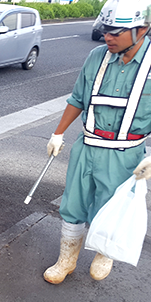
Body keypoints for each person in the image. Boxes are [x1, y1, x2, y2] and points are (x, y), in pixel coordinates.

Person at [43, 0, 151, 284]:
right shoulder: (96, 57)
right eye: (105, 30)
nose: (108, 37)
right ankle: (66, 259)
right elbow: (77, 98)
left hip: (126, 152)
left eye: (117, 31)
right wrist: (58, 133)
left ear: (143, 28)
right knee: (73, 203)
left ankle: (104, 253)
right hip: (88, 145)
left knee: (111, 205)